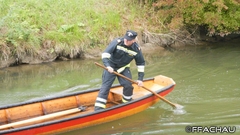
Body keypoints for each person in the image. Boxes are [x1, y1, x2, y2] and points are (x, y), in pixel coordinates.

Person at [94, 30, 145, 111]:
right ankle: (98, 109)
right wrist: (108, 66)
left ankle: (126, 104)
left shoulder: (136, 49)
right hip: (111, 67)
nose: (126, 41)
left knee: (128, 86)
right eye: (125, 38)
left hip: (123, 68)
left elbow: (141, 63)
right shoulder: (117, 42)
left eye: (129, 40)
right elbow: (105, 54)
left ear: (133, 40)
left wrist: (140, 79)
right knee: (105, 87)